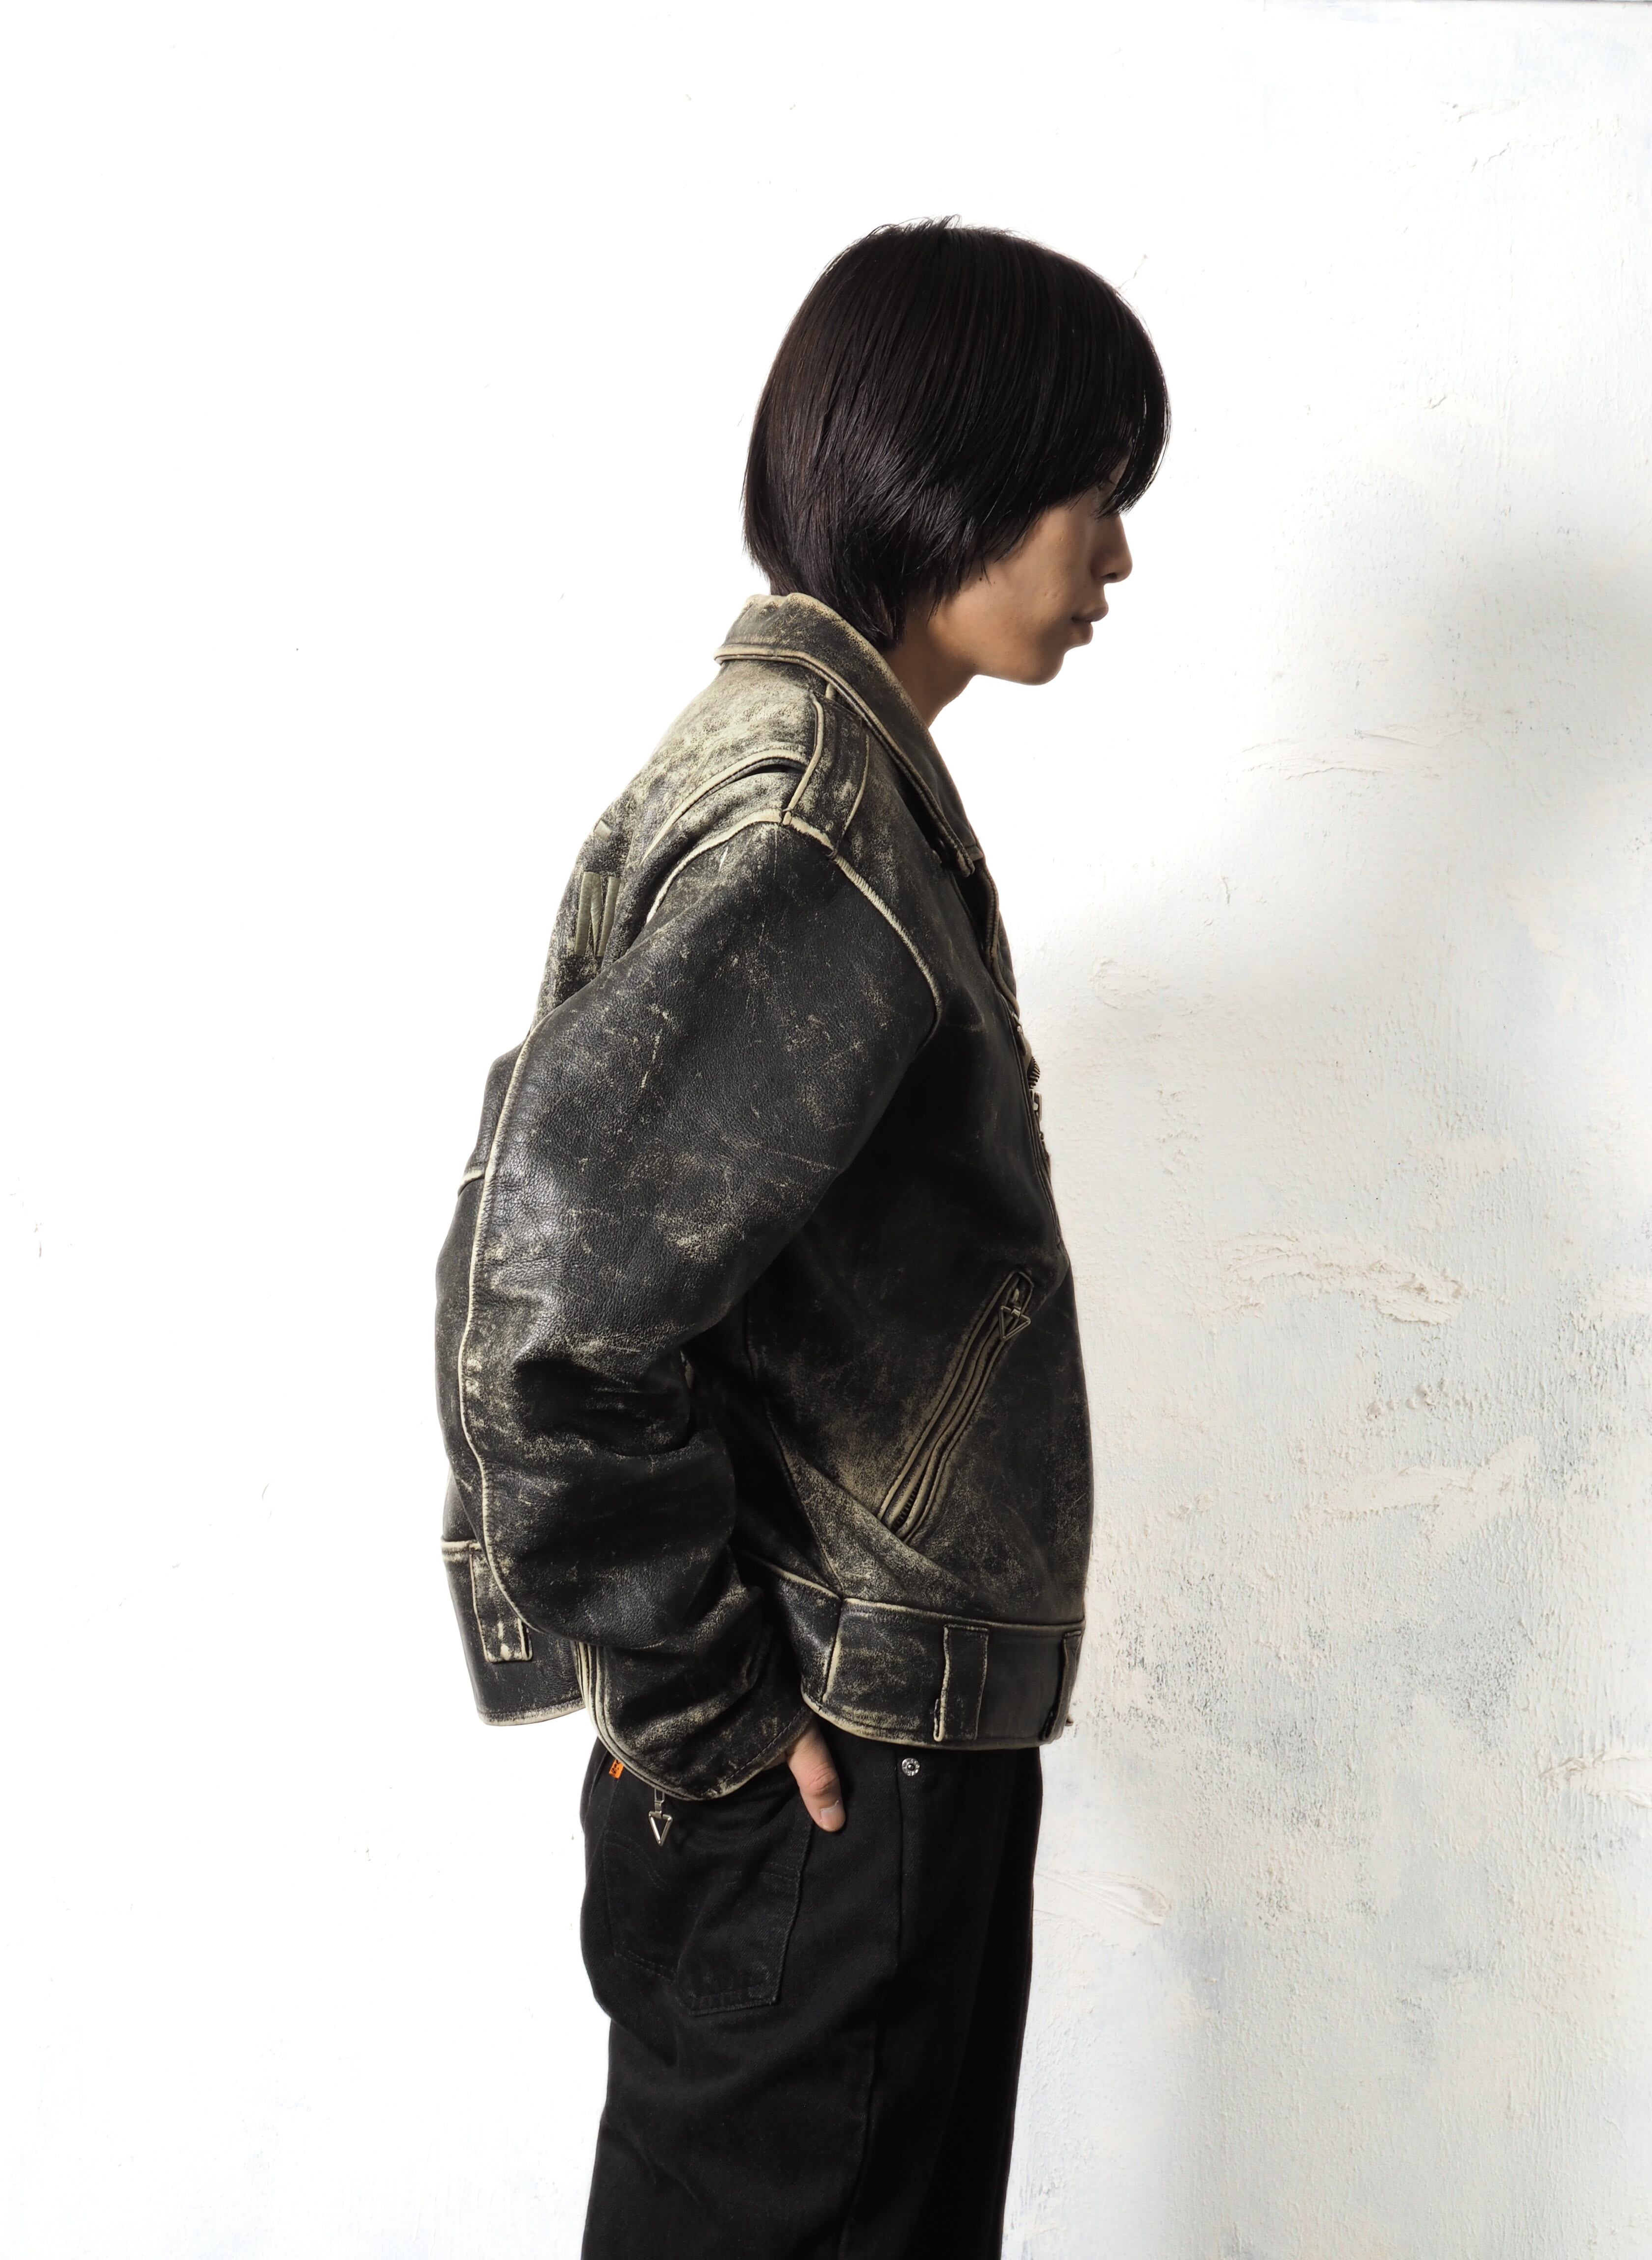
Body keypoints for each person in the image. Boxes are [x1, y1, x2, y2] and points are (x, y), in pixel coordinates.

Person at [434, 218, 1168, 2259]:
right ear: (948, 479)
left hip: (854, 1759)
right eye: (1088, 490)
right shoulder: (813, 823)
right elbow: (546, 1315)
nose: (1116, 555)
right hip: (833, 1785)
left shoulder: (829, 782)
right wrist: (717, 1718)